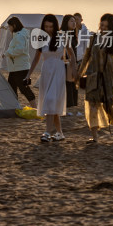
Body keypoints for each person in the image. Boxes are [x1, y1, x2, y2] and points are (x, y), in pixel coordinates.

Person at [77, 13, 113, 143]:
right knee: (92, 106)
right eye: (102, 25)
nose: (103, 28)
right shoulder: (94, 38)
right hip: (93, 77)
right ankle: (95, 137)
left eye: (106, 26)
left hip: (108, 79)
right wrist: (80, 73)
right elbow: (86, 57)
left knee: (110, 107)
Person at [28, 14, 76, 142]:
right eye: (46, 26)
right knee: (52, 103)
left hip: (58, 71)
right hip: (46, 71)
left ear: (55, 26)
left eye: (51, 26)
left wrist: (75, 71)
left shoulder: (62, 36)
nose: (48, 29)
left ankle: (47, 132)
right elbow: (36, 58)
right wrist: (28, 74)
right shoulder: (41, 38)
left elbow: (71, 54)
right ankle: (59, 133)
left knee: (50, 99)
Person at [4, 16, 37, 109]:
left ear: (14, 25)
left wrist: (7, 53)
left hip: (20, 67)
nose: (9, 29)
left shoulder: (19, 36)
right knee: (11, 88)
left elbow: (20, 49)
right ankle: (14, 107)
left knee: (24, 88)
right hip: (15, 68)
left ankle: (35, 108)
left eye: (9, 26)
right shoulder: (19, 34)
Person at [60, 14, 79, 113]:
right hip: (66, 63)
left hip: (73, 62)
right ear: (66, 22)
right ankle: (68, 107)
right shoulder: (63, 34)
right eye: (71, 21)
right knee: (68, 85)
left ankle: (73, 106)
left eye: (74, 21)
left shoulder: (73, 34)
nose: (74, 23)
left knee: (73, 85)